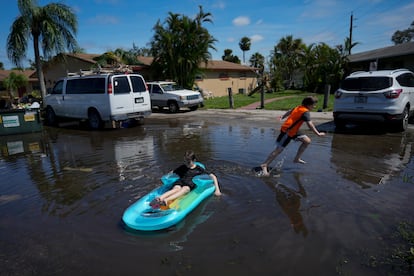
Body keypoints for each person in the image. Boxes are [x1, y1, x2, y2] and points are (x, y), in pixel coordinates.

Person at [260, 96, 325, 176]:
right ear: (308, 105)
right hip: (287, 132)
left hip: (293, 130)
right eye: (313, 105)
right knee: (278, 150)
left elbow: (290, 111)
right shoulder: (305, 112)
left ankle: (297, 159)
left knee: (307, 141)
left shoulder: (299, 107)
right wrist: (317, 133)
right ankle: (264, 165)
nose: (314, 107)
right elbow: (310, 124)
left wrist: (282, 117)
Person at [150, 150, 221, 208]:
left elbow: (213, 176)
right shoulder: (183, 167)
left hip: (189, 185)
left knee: (184, 189)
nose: (186, 164)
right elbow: (172, 172)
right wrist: (167, 178)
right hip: (180, 182)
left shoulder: (199, 169)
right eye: (185, 162)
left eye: (188, 162)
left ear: (194, 160)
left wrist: (217, 190)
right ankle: (160, 198)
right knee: (176, 189)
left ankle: (166, 200)